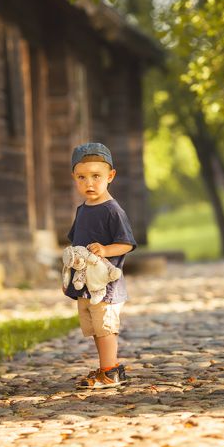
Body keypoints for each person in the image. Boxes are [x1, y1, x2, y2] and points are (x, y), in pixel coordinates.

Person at [64, 142, 136, 389]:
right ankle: (105, 367)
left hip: (106, 284)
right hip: (86, 283)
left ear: (110, 176)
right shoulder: (82, 209)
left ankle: (111, 371)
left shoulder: (112, 210)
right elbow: (77, 244)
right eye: (82, 177)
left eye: (96, 176)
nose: (89, 183)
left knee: (105, 327)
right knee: (95, 328)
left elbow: (126, 244)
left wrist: (105, 250)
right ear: (74, 177)